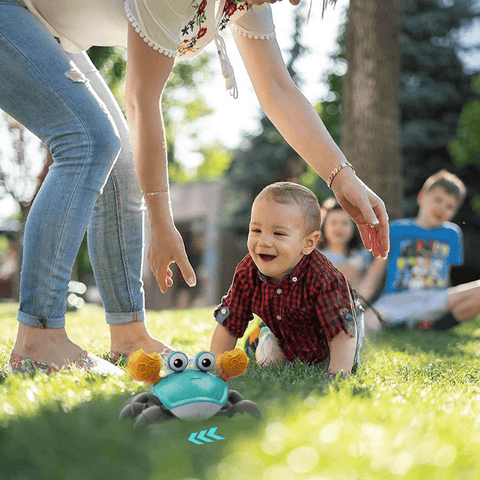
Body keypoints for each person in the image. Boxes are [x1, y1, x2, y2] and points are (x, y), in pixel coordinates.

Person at [3, 0, 387, 375]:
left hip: (47, 28)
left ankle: (129, 336)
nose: (293, 0)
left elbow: (277, 91)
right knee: (90, 140)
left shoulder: (246, 4)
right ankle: (39, 340)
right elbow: (141, 99)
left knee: (118, 159)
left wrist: (342, 177)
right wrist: (160, 221)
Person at [210, 182, 364, 378]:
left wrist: (338, 373)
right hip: (287, 338)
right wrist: (216, 368)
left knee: (334, 365)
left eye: (279, 234)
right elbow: (229, 323)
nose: (264, 242)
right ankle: (257, 340)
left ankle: (262, 339)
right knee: (268, 358)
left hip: (334, 340)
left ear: (308, 244)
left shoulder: (323, 277)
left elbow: (342, 333)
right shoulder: (247, 271)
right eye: (256, 230)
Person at [361, 170, 480, 334]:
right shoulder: (396, 229)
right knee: (366, 323)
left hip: (433, 299)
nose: (442, 208)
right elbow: (375, 273)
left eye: (450, 206)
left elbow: (445, 278)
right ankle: (405, 323)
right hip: (396, 300)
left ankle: (433, 327)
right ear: (422, 197)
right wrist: (357, 303)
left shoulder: (452, 234)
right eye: (438, 200)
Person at [319, 198, 373, 290]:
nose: (339, 228)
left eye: (345, 223)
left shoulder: (363, 254)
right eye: (333, 222)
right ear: (324, 226)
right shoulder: (316, 256)